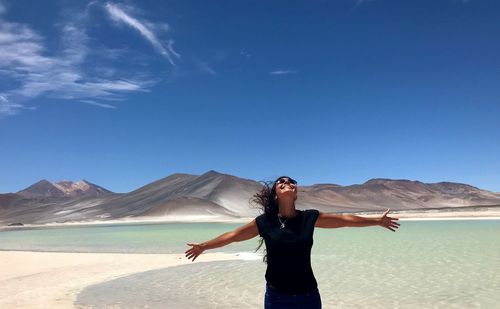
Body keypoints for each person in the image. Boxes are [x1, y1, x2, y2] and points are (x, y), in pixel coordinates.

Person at [185, 176, 400, 308]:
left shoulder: (309, 218)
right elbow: (232, 236)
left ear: (295, 193)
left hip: (308, 296)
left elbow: (344, 220)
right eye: (282, 182)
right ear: (276, 195)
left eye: (291, 182)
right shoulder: (264, 222)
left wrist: (376, 221)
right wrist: (204, 246)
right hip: (277, 298)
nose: (287, 183)